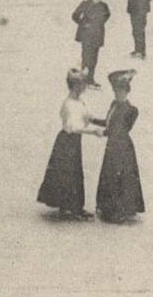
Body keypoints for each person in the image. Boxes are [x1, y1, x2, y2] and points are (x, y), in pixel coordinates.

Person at [36, 70, 105, 220]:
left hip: (72, 140)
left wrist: (103, 121)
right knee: (69, 173)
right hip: (68, 141)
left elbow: (87, 116)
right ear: (76, 87)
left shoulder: (78, 101)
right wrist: (94, 131)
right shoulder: (69, 104)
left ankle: (72, 207)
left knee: (71, 173)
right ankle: (71, 208)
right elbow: (74, 127)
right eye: (82, 85)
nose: (85, 87)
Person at [95, 69, 144, 223]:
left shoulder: (131, 110)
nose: (118, 93)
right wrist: (91, 120)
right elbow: (107, 122)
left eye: (120, 91)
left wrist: (104, 132)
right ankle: (109, 208)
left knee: (120, 176)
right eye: (116, 90)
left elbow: (119, 129)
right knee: (111, 175)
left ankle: (120, 209)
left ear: (126, 91)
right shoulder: (114, 104)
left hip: (121, 146)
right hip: (113, 145)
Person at [71, 0, 112, 84]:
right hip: (86, 35)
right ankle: (83, 79)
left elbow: (107, 16)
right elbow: (75, 15)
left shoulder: (104, 6)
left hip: (97, 35)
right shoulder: (85, 3)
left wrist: (99, 24)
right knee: (85, 57)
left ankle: (91, 79)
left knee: (94, 57)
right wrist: (84, 24)